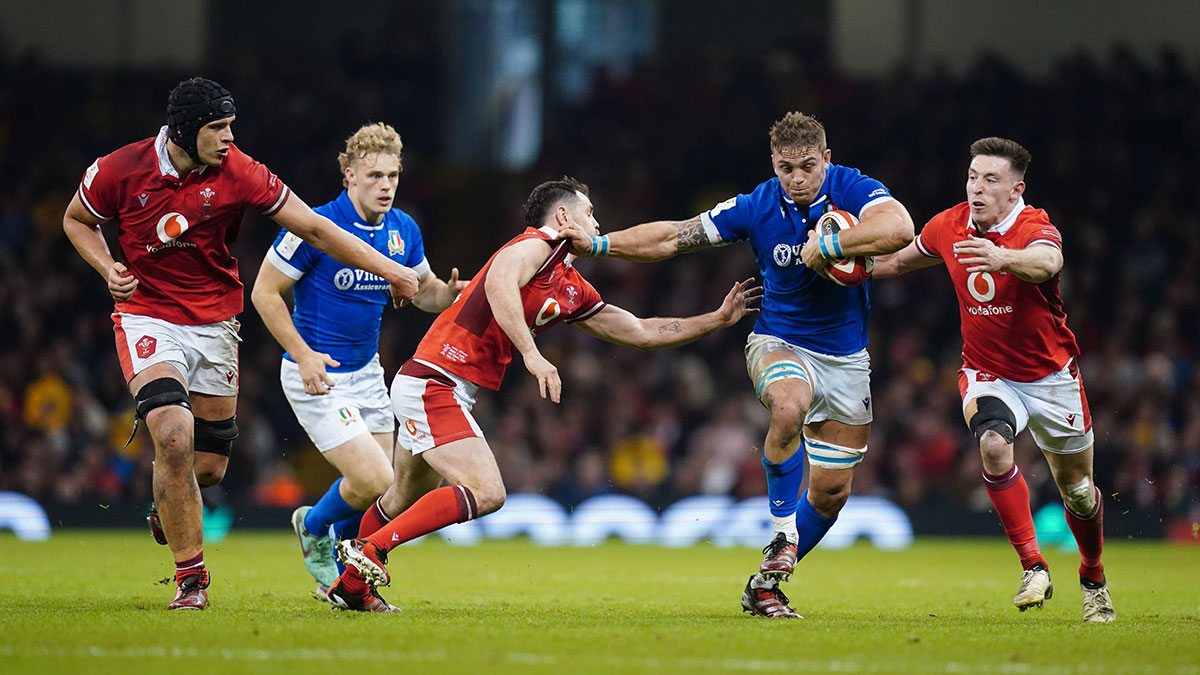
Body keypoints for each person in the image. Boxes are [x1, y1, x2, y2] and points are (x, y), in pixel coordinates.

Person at [62, 78, 420, 611]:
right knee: (174, 435)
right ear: (184, 130)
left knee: (206, 469)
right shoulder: (119, 169)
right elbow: (77, 219)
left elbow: (317, 230)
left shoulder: (241, 172)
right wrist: (107, 265)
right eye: (218, 128)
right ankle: (192, 580)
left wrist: (395, 271)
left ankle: (170, 500)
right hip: (147, 315)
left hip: (215, 323)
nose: (230, 137)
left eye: (231, 126)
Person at [325, 177, 761, 612]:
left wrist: (716, 320)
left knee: (401, 497)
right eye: (589, 213)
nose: (597, 221)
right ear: (564, 216)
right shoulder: (538, 243)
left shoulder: (569, 283)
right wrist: (532, 355)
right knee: (486, 491)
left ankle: (350, 586)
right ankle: (369, 552)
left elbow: (639, 330)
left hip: (439, 383)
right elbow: (499, 284)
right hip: (435, 379)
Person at [558, 112, 915, 619]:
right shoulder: (756, 205)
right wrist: (598, 244)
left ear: (826, 160)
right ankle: (782, 534)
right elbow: (673, 237)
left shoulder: (852, 187)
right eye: (786, 167)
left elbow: (900, 227)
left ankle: (765, 586)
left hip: (847, 359)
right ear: (773, 164)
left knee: (832, 494)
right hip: (778, 341)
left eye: (808, 166)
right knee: (789, 407)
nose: (796, 178)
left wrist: (830, 245)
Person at [873, 137, 1116, 623]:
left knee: (1080, 494)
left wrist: (1003, 258)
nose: (977, 188)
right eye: (972, 176)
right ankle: (1034, 566)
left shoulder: (1033, 226)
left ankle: (1093, 577)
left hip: (1052, 378)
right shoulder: (950, 225)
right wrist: (840, 268)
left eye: (991, 180)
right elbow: (900, 261)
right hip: (988, 372)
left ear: (1015, 189)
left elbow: (1049, 263)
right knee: (992, 443)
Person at [251, 122, 467, 600]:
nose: (385, 185)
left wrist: (446, 295)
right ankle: (312, 527)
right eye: (374, 176)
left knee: (381, 490)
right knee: (375, 476)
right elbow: (264, 292)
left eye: (392, 175)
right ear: (348, 175)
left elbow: (423, 289)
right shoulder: (314, 225)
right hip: (317, 373)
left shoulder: (403, 229)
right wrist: (303, 355)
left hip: (368, 374)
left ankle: (348, 582)